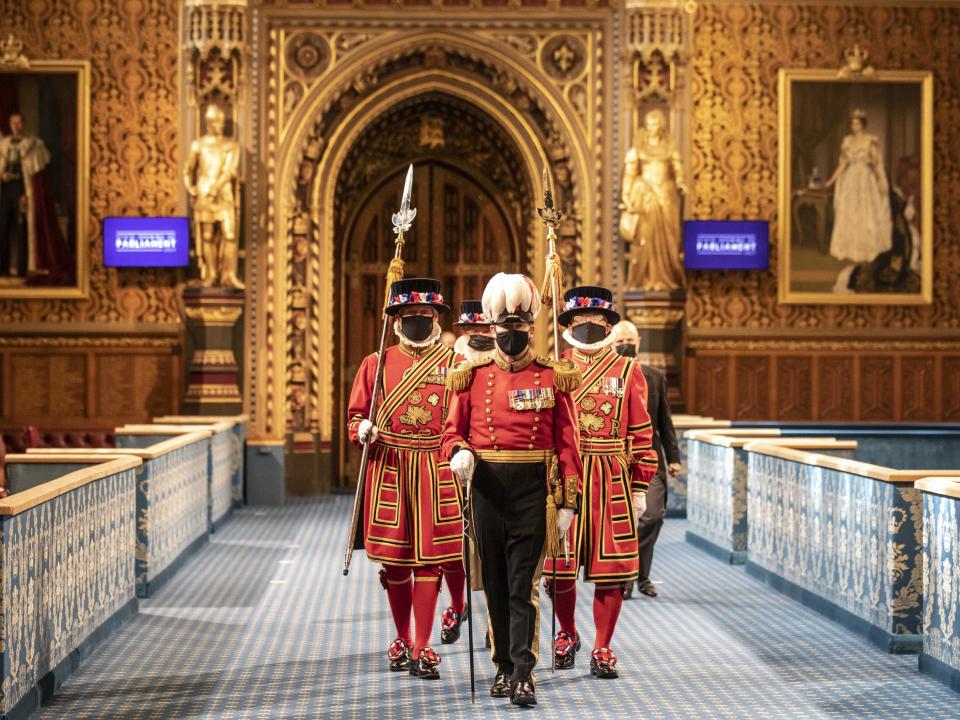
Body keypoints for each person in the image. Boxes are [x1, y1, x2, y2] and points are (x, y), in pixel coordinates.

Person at [442, 273, 582, 706]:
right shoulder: (471, 377)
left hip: (532, 492)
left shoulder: (551, 377)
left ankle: (524, 672)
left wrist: (567, 500)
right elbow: (450, 433)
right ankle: (502, 664)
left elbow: (568, 441)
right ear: (492, 329)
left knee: (524, 584)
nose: (512, 338)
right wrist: (459, 453)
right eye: (505, 331)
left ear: (530, 329)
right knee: (497, 585)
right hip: (486, 489)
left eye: (520, 331)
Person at [346, 278, 462, 679]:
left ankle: (423, 643)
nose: (418, 322)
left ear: (436, 319)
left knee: (430, 562)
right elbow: (356, 415)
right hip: (391, 467)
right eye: (410, 316)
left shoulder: (453, 364)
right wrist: (361, 428)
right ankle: (399, 635)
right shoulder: (374, 363)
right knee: (396, 563)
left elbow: (461, 420)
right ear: (396, 320)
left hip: (435, 468)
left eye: (425, 317)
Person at [545, 289, 658, 679]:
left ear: (608, 326)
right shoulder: (555, 368)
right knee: (558, 566)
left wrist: (641, 484)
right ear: (569, 327)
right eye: (579, 323)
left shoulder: (629, 371)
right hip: (566, 476)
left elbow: (642, 431)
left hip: (611, 475)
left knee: (610, 568)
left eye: (595, 323)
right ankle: (567, 632)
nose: (588, 329)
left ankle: (602, 645)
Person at [437, 300, 496, 646]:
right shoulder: (449, 365)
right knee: (451, 543)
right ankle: (456, 605)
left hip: (493, 463)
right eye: (471, 329)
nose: (478, 335)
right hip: (452, 463)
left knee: (491, 543)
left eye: (484, 328)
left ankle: (493, 617)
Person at [611, 320, 681, 599]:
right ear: (611, 343)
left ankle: (638, 573)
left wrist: (673, 457)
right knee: (620, 522)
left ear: (638, 341)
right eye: (619, 341)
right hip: (614, 461)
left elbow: (665, 421)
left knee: (652, 515)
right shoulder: (605, 378)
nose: (625, 345)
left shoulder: (655, 376)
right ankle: (625, 577)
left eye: (629, 340)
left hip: (649, 460)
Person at [619, 109, 686, 290]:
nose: (652, 128)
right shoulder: (638, 149)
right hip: (645, 195)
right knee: (645, 236)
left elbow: (677, 169)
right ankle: (644, 279)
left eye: (656, 124)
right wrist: (626, 195)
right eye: (649, 124)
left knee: (668, 240)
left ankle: (664, 278)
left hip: (666, 195)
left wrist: (680, 183)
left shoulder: (669, 147)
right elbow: (630, 174)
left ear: (661, 126)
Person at [183, 104, 243, 288]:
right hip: (204, 194)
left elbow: (230, 170)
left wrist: (216, 186)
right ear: (209, 123)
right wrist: (191, 188)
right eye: (218, 123)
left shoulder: (231, 145)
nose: (221, 126)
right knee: (207, 236)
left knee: (230, 234)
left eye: (222, 122)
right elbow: (187, 169)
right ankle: (210, 275)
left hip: (224, 195)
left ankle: (230, 275)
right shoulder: (199, 145)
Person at [826, 109, 892, 264]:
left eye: (857, 123)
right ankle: (847, 249)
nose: (854, 126)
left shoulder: (871, 140)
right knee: (849, 211)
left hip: (865, 179)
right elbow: (843, 164)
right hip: (850, 179)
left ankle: (868, 249)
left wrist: (881, 181)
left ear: (863, 124)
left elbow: (877, 164)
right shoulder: (847, 141)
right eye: (852, 123)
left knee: (866, 211)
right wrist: (831, 180)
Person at [0, 112, 53, 278]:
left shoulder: (32, 145)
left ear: (23, 124)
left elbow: (32, 175)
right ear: (9, 124)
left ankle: (22, 269)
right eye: (13, 123)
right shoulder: (3, 144)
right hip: (5, 190)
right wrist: (2, 175)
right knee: (2, 228)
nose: (16, 126)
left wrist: (26, 194)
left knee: (21, 228)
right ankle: (3, 268)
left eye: (19, 123)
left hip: (21, 190)